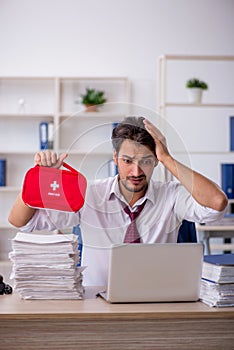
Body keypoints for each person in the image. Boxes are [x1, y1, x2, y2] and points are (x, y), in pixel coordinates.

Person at [8, 116, 228, 286]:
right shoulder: (89, 194)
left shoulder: (171, 195)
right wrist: (38, 179)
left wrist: (168, 158)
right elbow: (22, 222)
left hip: (157, 302)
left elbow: (217, 202)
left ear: (157, 161)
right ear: (114, 158)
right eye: (127, 160)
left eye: (147, 161)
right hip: (96, 303)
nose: (136, 171)